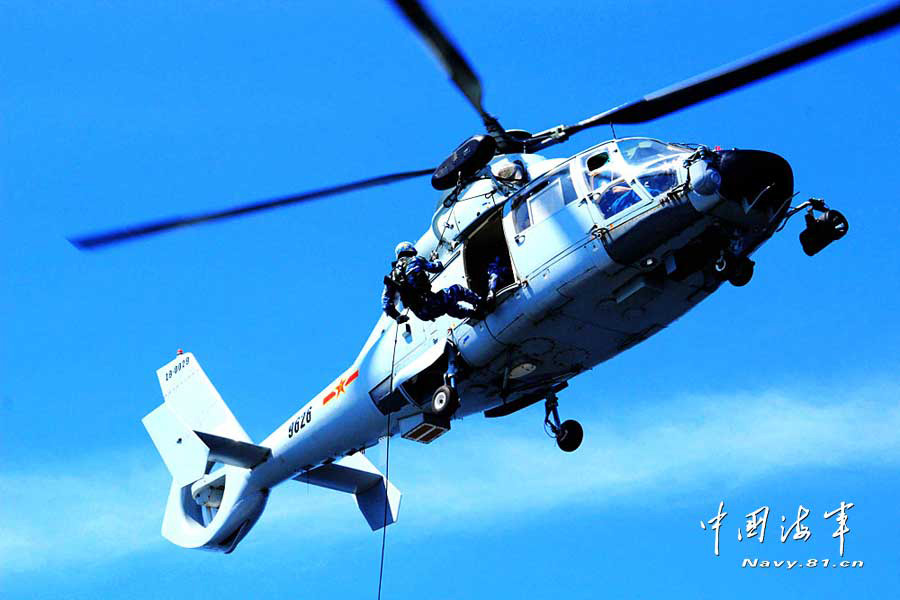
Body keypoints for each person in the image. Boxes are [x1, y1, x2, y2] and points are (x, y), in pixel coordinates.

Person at [382, 241, 484, 323]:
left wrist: (397, 317)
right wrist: (436, 259)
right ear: (411, 251)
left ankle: (473, 314)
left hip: (421, 314)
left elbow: (386, 303)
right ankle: (482, 303)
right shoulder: (416, 260)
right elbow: (438, 267)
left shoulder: (392, 276)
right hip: (430, 302)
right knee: (457, 290)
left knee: (448, 305)